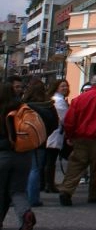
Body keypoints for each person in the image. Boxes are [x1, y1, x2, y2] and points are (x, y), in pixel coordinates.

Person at [59, 73, 96, 207]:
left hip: (80, 138)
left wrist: (70, 136)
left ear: (92, 84)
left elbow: (69, 121)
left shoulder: (79, 99)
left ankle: (66, 191)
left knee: (75, 166)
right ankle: (94, 194)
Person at [0, 82, 36, 230]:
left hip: (2, 155)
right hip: (23, 154)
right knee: (18, 190)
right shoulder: (23, 108)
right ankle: (25, 213)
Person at [23, 80, 57, 208]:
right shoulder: (48, 105)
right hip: (41, 141)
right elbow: (55, 123)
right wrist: (45, 134)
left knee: (24, 169)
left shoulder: (24, 105)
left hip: (24, 140)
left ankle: (21, 195)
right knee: (35, 169)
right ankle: (33, 198)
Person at [43, 79, 69, 193]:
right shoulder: (58, 101)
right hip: (55, 133)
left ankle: (47, 182)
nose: (65, 88)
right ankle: (49, 184)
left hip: (51, 133)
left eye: (66, 86)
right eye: (62, 86)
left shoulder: (54, 99)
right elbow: (65, 119)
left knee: (49, 160)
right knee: (51, 160)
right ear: (56, 87)